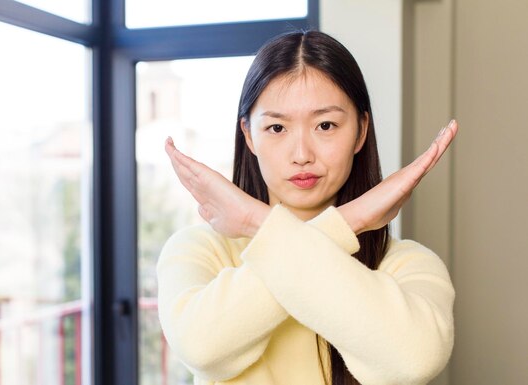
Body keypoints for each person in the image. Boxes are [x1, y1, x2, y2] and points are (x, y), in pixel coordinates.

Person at [157, 30, 457, 385]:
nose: (302, 154)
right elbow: (202, 348)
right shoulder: (198, 250)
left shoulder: (406, 265)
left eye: (326, 125)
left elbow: (413, 361)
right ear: (249, 135)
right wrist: (349, 221)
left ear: (361, 131)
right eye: (277, 127)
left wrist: (258, 223)